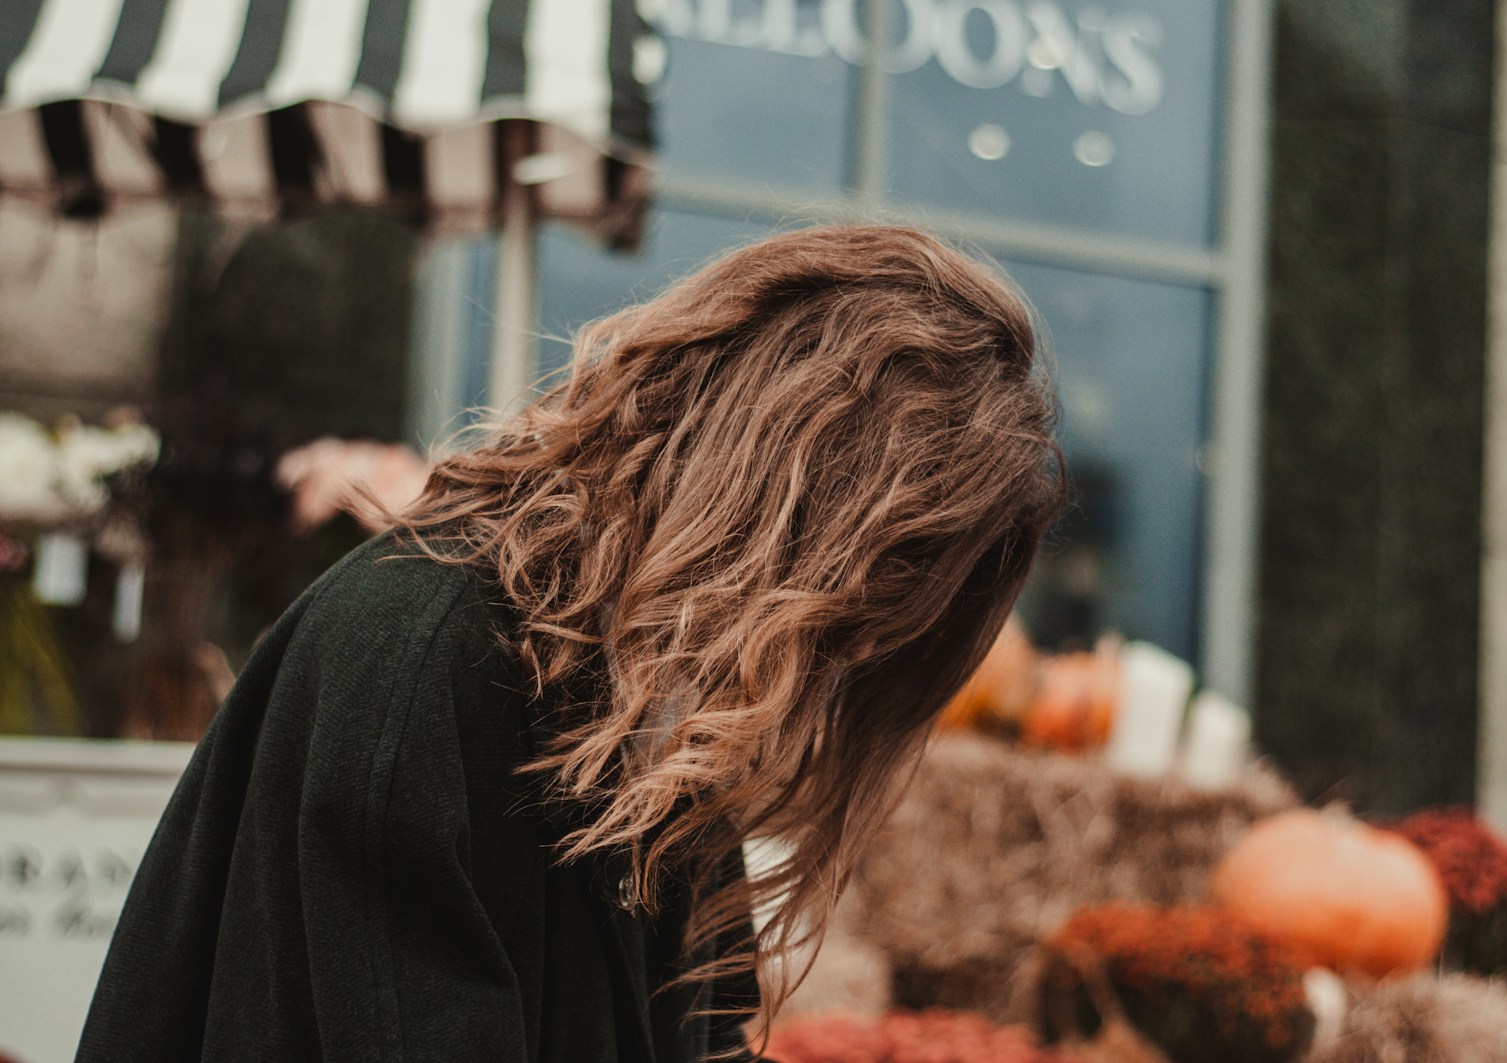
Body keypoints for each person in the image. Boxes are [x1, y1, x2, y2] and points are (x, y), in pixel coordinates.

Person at [75, 224, 1066, 1062]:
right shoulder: (421, 656)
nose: (862, 641)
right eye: (878, 581)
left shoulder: (656, 720)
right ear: (778, 499)